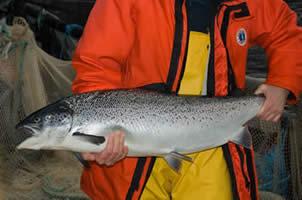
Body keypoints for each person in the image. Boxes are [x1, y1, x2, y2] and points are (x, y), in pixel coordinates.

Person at [71, 0, 302, 199]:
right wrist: (98, 131)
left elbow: (285, 31)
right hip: (131, 151)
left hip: (215, 142)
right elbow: (96, 65)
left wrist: (282, 82)